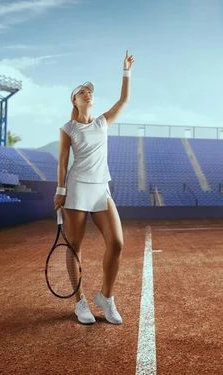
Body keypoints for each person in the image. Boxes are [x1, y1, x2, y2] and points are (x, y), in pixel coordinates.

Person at [54, 50, 135, 325]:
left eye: (90, 91)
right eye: (83, 91)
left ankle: (106, 298)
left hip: (102, 189)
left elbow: (124, 99)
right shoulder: (68, 128)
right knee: (75, 247)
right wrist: (60, 191)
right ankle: (80, 303)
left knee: (117, 243)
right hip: (76, 190)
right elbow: (63, 162)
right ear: (74, 100)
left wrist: (126, 71)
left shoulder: (102, 122)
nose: (88, 93)